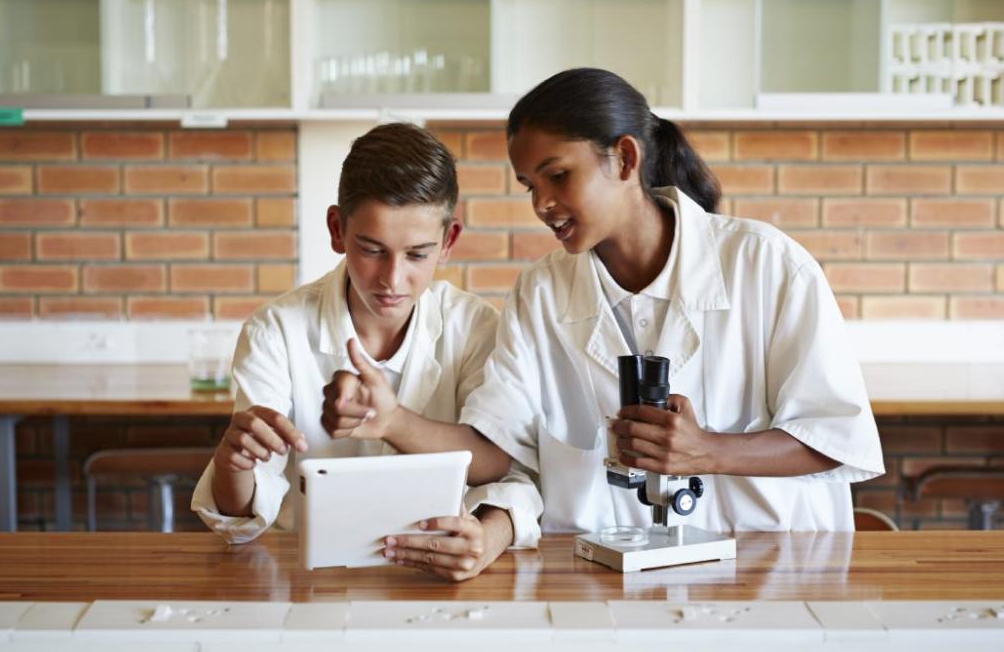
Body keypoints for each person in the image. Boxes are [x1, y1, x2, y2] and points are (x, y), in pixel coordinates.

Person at [322, 69, 884, 568]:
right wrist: (393, 420)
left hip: (769, 569)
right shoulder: (540, 293)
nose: (541, 203)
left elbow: (837, 437)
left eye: (557, 176)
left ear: (626, 158)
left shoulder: (767, 265)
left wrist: (709, 450)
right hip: (597, 576)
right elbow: (497, 450)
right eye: (530, 186)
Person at [192, 122, 541, 582]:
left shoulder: (476, 329)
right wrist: (232, 462)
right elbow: (241, 519)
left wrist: (395, 423)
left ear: (449, 241)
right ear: (337, 229)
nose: (392, 280)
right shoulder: (276, 331)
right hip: (311, 583)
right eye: (372, 249)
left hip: (435, 586)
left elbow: (506, 467)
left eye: (417, 254)